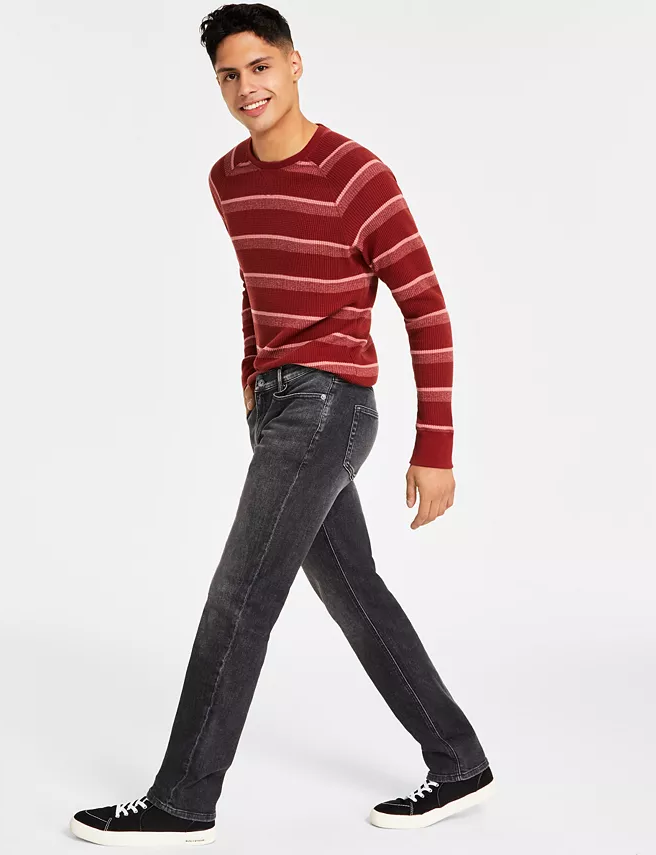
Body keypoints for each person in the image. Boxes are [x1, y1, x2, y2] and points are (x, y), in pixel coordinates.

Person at [70, 3, 495, 846]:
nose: (246, 89)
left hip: (330, 406)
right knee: (354, 592)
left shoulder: (357, 174)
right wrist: (250, 375)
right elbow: (255, 283)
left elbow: (427, 310)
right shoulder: (228, 178)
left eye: (259, 67)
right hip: (277, 406)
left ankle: (182, 798)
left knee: (240, 595)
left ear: (295, 65)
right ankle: (459, 761)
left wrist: (436, 448)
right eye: (228, 76)